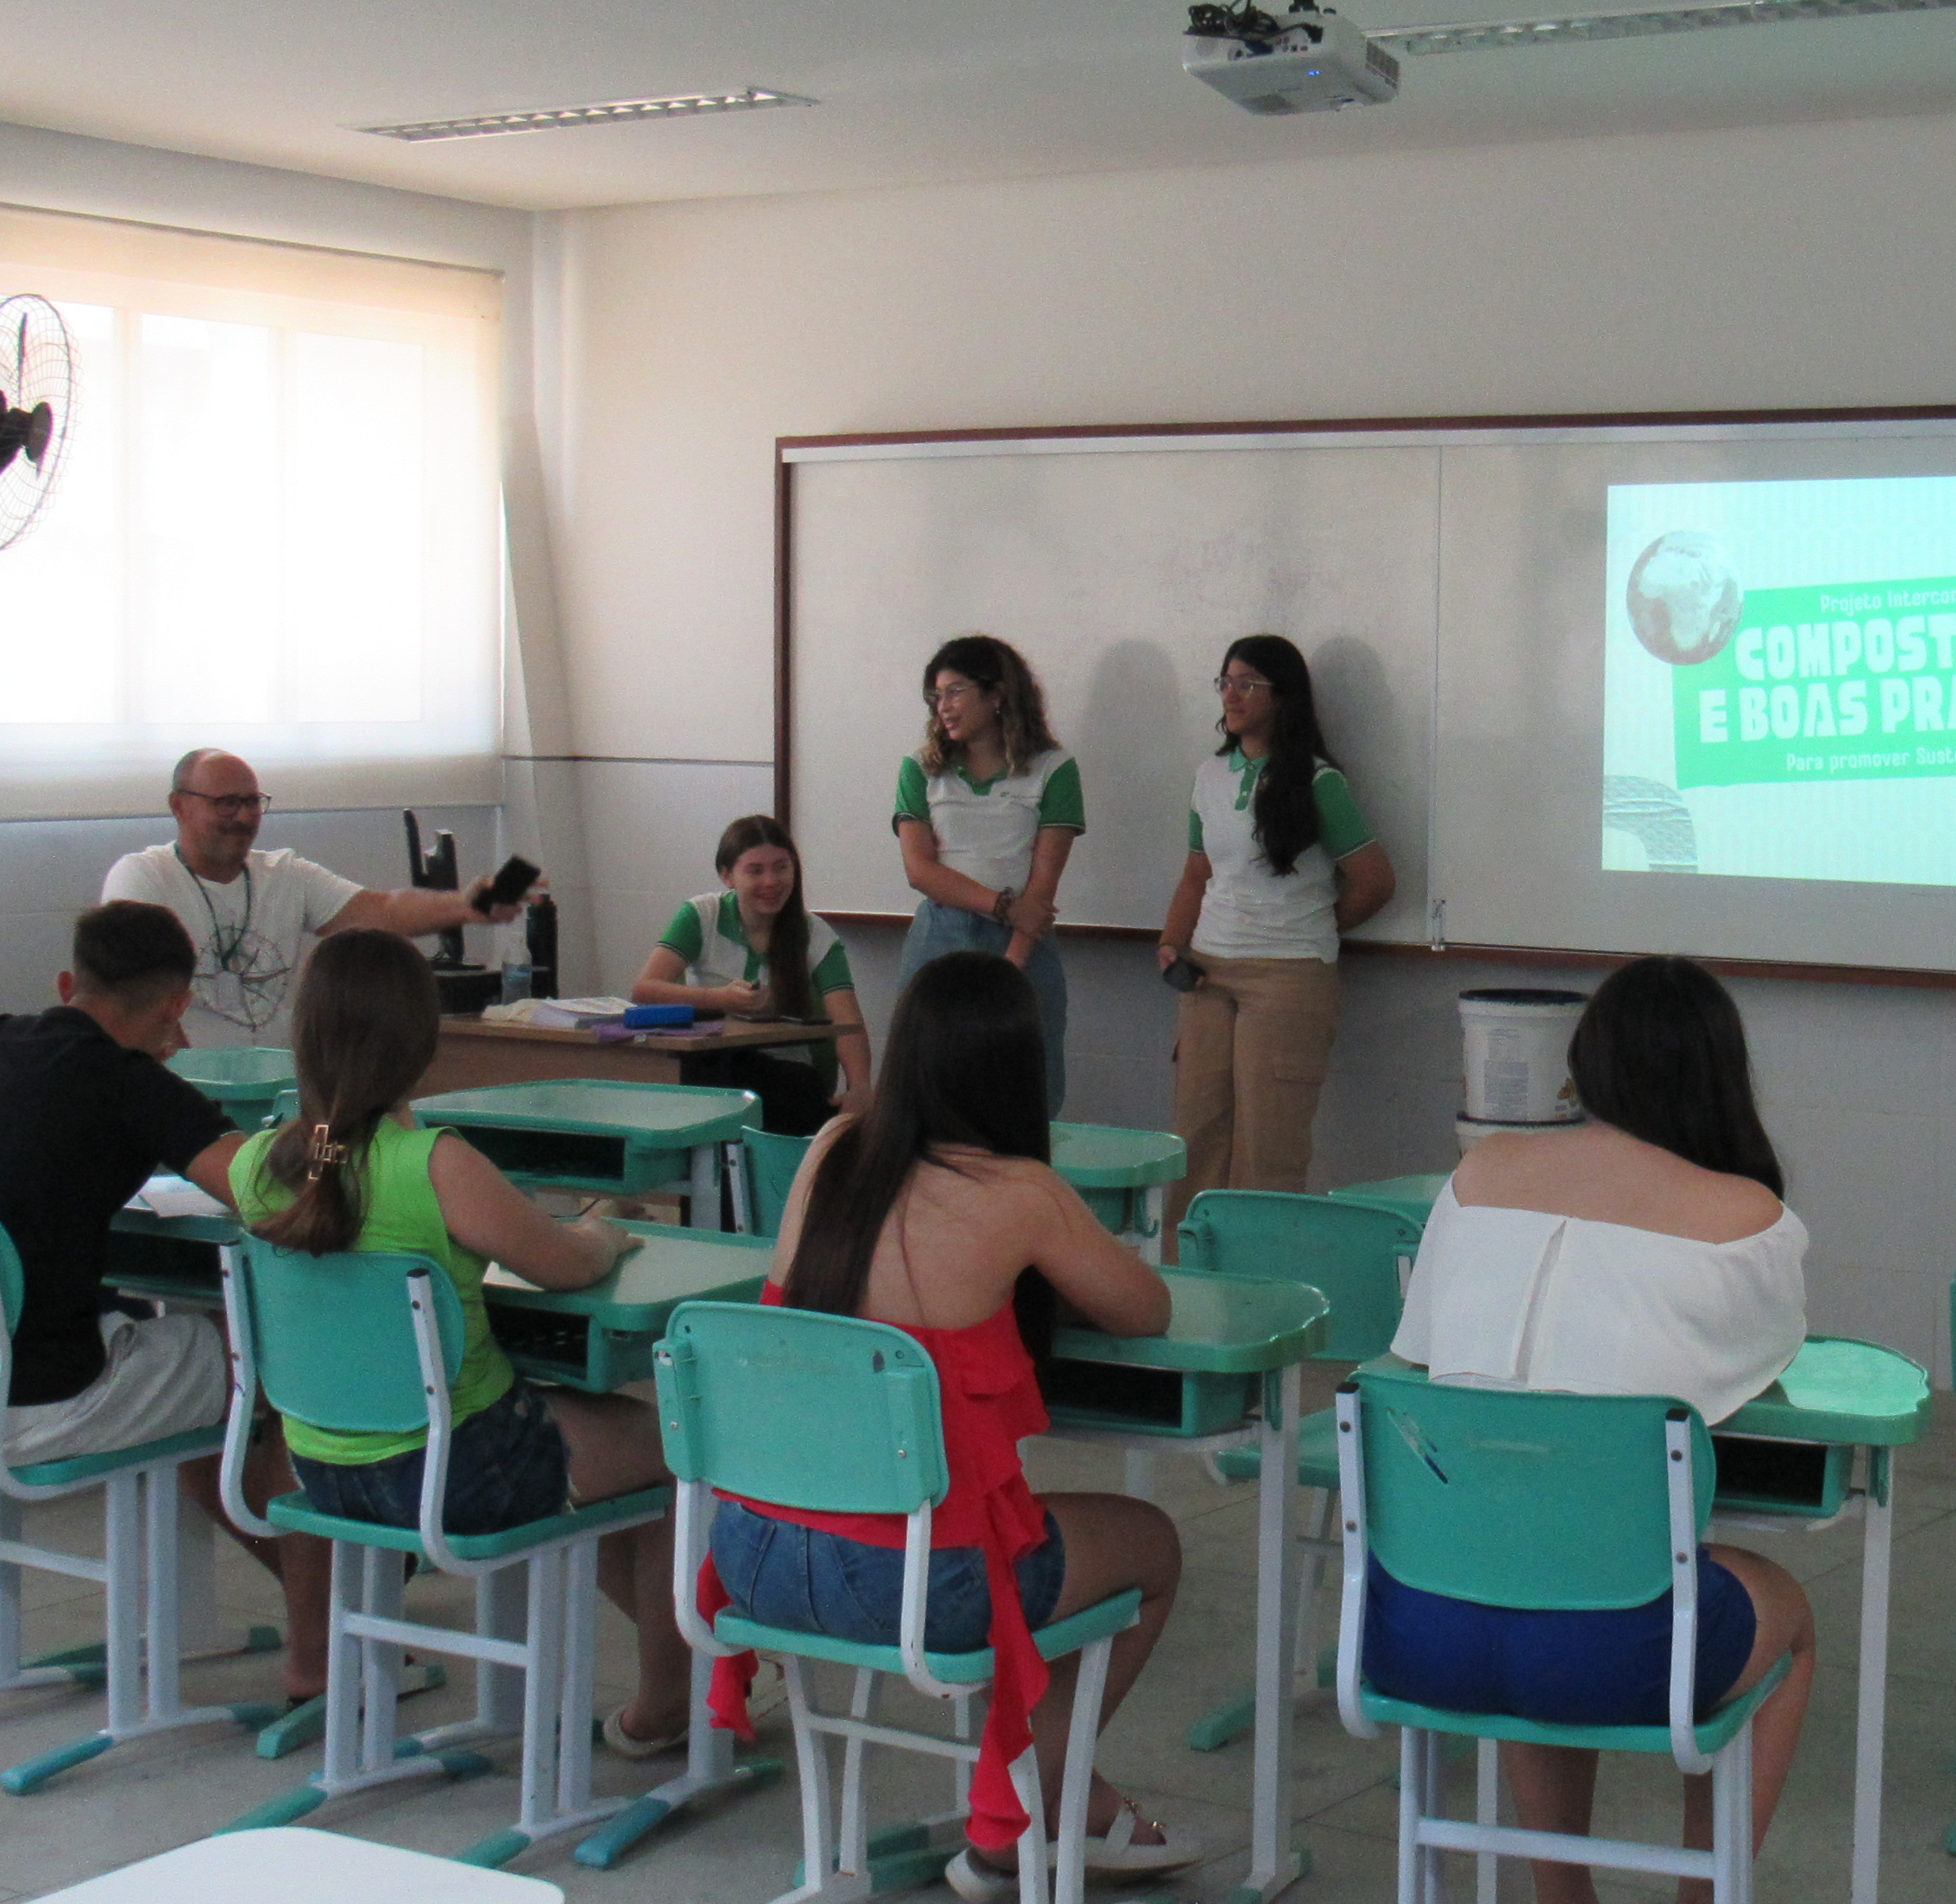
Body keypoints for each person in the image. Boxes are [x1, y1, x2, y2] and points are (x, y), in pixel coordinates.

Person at [709, 950, 1196, 1900]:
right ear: (1020, 1073)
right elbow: (1147, 1310)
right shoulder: (1021, 1194)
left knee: (1005, 1532)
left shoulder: (831, 1149)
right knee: (1153, 1546)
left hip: (754, 1553)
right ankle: (1025, 1808)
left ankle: (1043, 1800)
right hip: (913, 1580)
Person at [1378, 955, 1818, 1904]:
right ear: (1721, 1073)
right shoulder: (1745, 1217)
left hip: (1417, 1622)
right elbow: (1762, 1372)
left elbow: (1414, 1353)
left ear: (1585, 1065)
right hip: (1620, 1648)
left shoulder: (1479, 1176)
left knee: (1531, 1555)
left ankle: (1560, 1894)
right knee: (1785, 1617)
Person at [235, 927, 692, 1753]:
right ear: (421, 1044)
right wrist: (607, 1229)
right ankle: (670, 1703)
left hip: (322, 1473)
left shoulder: (259, 1163)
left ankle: (681, 1685)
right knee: (669, 1445)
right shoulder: (436, 1164)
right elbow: (564, 1265)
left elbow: (340, 1170)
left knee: (588, 1454)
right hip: (458, 1472)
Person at [0, 902, 330, 1695]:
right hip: (26, 1401)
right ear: (177, 1007)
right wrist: (333, 1133)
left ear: (70, 984)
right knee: (275, 1360)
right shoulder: (128, 1081)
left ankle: (274, 1607)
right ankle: (320, 1651)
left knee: (193, 1375)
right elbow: (267, 1198)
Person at [1155, 635, 1396, 1195]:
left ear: (1283, 695)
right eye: (1226, 682)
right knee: (1194, 1138)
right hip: (1208, 970)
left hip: (1287, 975)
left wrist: (1313, 924)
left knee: (1269, 1146)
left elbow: (1376, 881)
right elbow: (1196, 875)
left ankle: (1258, 1256)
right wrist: (1171, 944)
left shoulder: (1318, 781)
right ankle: (1185, 1253)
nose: (1231, 694)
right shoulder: (1209, 775)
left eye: (1247, 684)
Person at [101, 748, 521, 1048]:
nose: (244, 817)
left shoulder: (285, 874)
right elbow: (140, 999)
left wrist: (466, 907)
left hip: (280, 1091)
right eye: (227, 804)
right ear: (180, 807)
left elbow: (381, 911)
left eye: (252, 803)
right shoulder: (143, 877)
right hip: (189, 1090)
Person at [893, 636, 1084, 1116]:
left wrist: (1010, 965)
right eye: (936, 695)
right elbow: (921, 871)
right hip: (940, 935)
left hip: (1023, 944)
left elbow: (1042, 887)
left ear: (997, 694)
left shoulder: (1053, 768)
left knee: (1024, 1095)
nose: (943, 706)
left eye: (956, 691)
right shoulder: (920, 769)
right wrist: (1002, 905)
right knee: (925, 1089)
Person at [630, 815, 872, 1134]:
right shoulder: (702, 915)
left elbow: (848, 1023)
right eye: (755, 871)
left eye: (781, 868)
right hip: (711, 1064)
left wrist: (860, 1087)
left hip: (783, 1075)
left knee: (783, 1094)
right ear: (727, 876)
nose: (771, 882)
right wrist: (719, 999)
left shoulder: (816, 934)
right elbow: (645, 990)